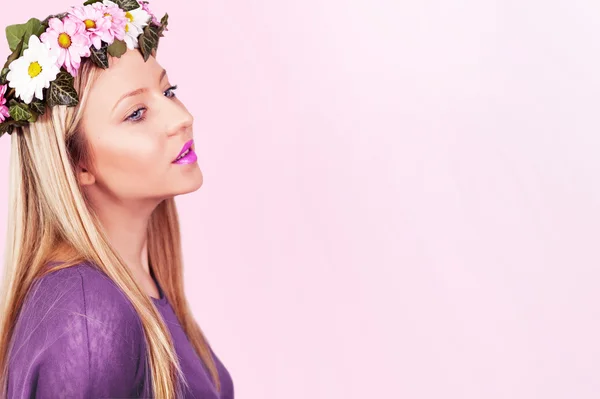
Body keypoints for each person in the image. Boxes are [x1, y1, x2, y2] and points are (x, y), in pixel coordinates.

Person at [0, 1, 234, 398]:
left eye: (168, 91)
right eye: (137, 113)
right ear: (77, 164)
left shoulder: (134, 288)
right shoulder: (90, 318)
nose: (182, 117)